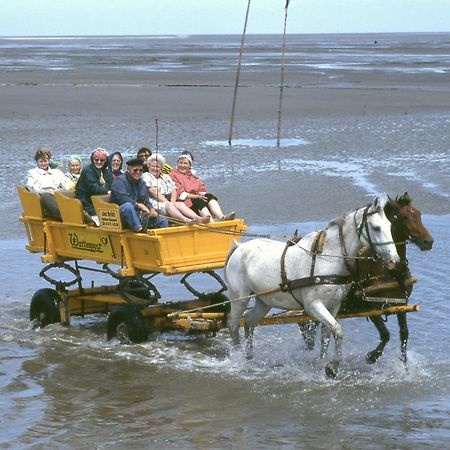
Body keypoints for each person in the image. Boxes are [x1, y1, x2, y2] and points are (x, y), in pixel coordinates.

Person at [142, 154, 209, 225]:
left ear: (161, 168)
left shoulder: (165, 177)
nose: (155, 168)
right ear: (149, 166)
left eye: (157, 167)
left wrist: (172, 201)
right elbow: (153, 192)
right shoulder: (146, 176)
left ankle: (198, 218)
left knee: (180, 204)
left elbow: (173, 189)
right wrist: (168, 203)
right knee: (170, 205)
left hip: (167, 201)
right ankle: (186, 220)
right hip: (154, 203)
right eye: (153, 166)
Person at [169, 153, 235, 221]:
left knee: (209, 196)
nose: (182, 165)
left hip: (196, 199)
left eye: (185, 163)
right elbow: (180, 192)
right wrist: (196, 196)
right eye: (180, 163)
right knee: (197, 200)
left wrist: (203, 194)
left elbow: (201, 188)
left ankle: (221, 217)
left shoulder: (193, 176)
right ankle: (210, 221)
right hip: (184, 204)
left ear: (189, 165)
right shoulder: (173, 174)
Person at [111, 158, 168, 232]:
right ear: (128, 170)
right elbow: (122, 198)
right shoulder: (120, 181)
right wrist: (137, 205)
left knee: (163, 220)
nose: (138, 172)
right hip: (120, 215)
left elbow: (145, 199)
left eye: (140, 170)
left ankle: (163, 239)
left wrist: (151, 209)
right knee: (128, 206)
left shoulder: (142, 182)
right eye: (135, 170)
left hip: (139, 214)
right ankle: (139, 231)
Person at [26, 147, 68, 220]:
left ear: (48, 161)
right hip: (44, 199)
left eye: (45, 161)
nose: (43, 163)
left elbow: (66, 187)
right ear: (37, 162)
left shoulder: (57, 172)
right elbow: (34, 190)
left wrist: (58, 191)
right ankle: (62, 216)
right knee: (46, 197)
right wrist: (50, 192)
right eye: (41, 161)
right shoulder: (33, 173)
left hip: (58, 195)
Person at [75, 148, 112, 226]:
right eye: (96, 160)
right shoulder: (87, 170)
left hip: (101, 200)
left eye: (102, 160)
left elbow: (110, 185)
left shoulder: (107, 172)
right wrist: (107, 191)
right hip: (86, 200)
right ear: (92, 160)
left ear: (105, 161)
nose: (99, 162)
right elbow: (93, 187)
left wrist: (104, 184)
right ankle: (92, 221)